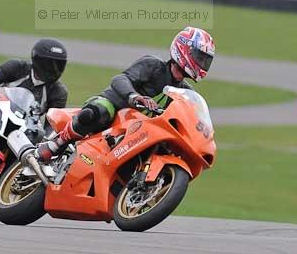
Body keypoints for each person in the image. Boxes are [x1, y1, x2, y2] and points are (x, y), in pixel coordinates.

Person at [34, 26, 215, 162]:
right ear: (184, 49)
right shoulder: (153, 65)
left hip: (140, 129)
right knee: (97, 112)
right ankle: (56, 143)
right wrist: (134, 97)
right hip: (115, 108)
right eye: (199, 57)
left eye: (205, 60)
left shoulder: (185, 93)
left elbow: (190, 118)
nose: (202, 63)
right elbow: (120, 79)